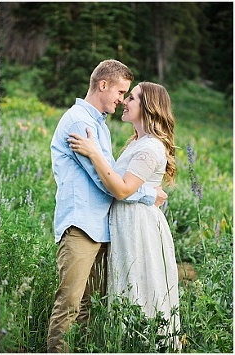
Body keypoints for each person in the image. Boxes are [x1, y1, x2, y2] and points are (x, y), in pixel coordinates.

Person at [47, 59, 167, 353]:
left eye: (128, 94)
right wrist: (148, 195)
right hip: (80, 227)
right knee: (70, 305)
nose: (122, 99)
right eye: (120, 91)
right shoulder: (79, 123)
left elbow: (109, 173)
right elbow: (106, 182)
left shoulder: (99, 127)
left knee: (89, 308)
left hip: (100, 228)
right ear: (103, 85)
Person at [68, 82, 181, 351]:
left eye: (132, 98)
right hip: (127, 223)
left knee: (140, 287)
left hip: (139, 227)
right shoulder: (137, 142)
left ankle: (145, 346)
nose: (124, 102)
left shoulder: (151, 147)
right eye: (125, 96)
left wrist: (94, 152)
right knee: (127, 287)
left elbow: (121, 189)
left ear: (148, 107)